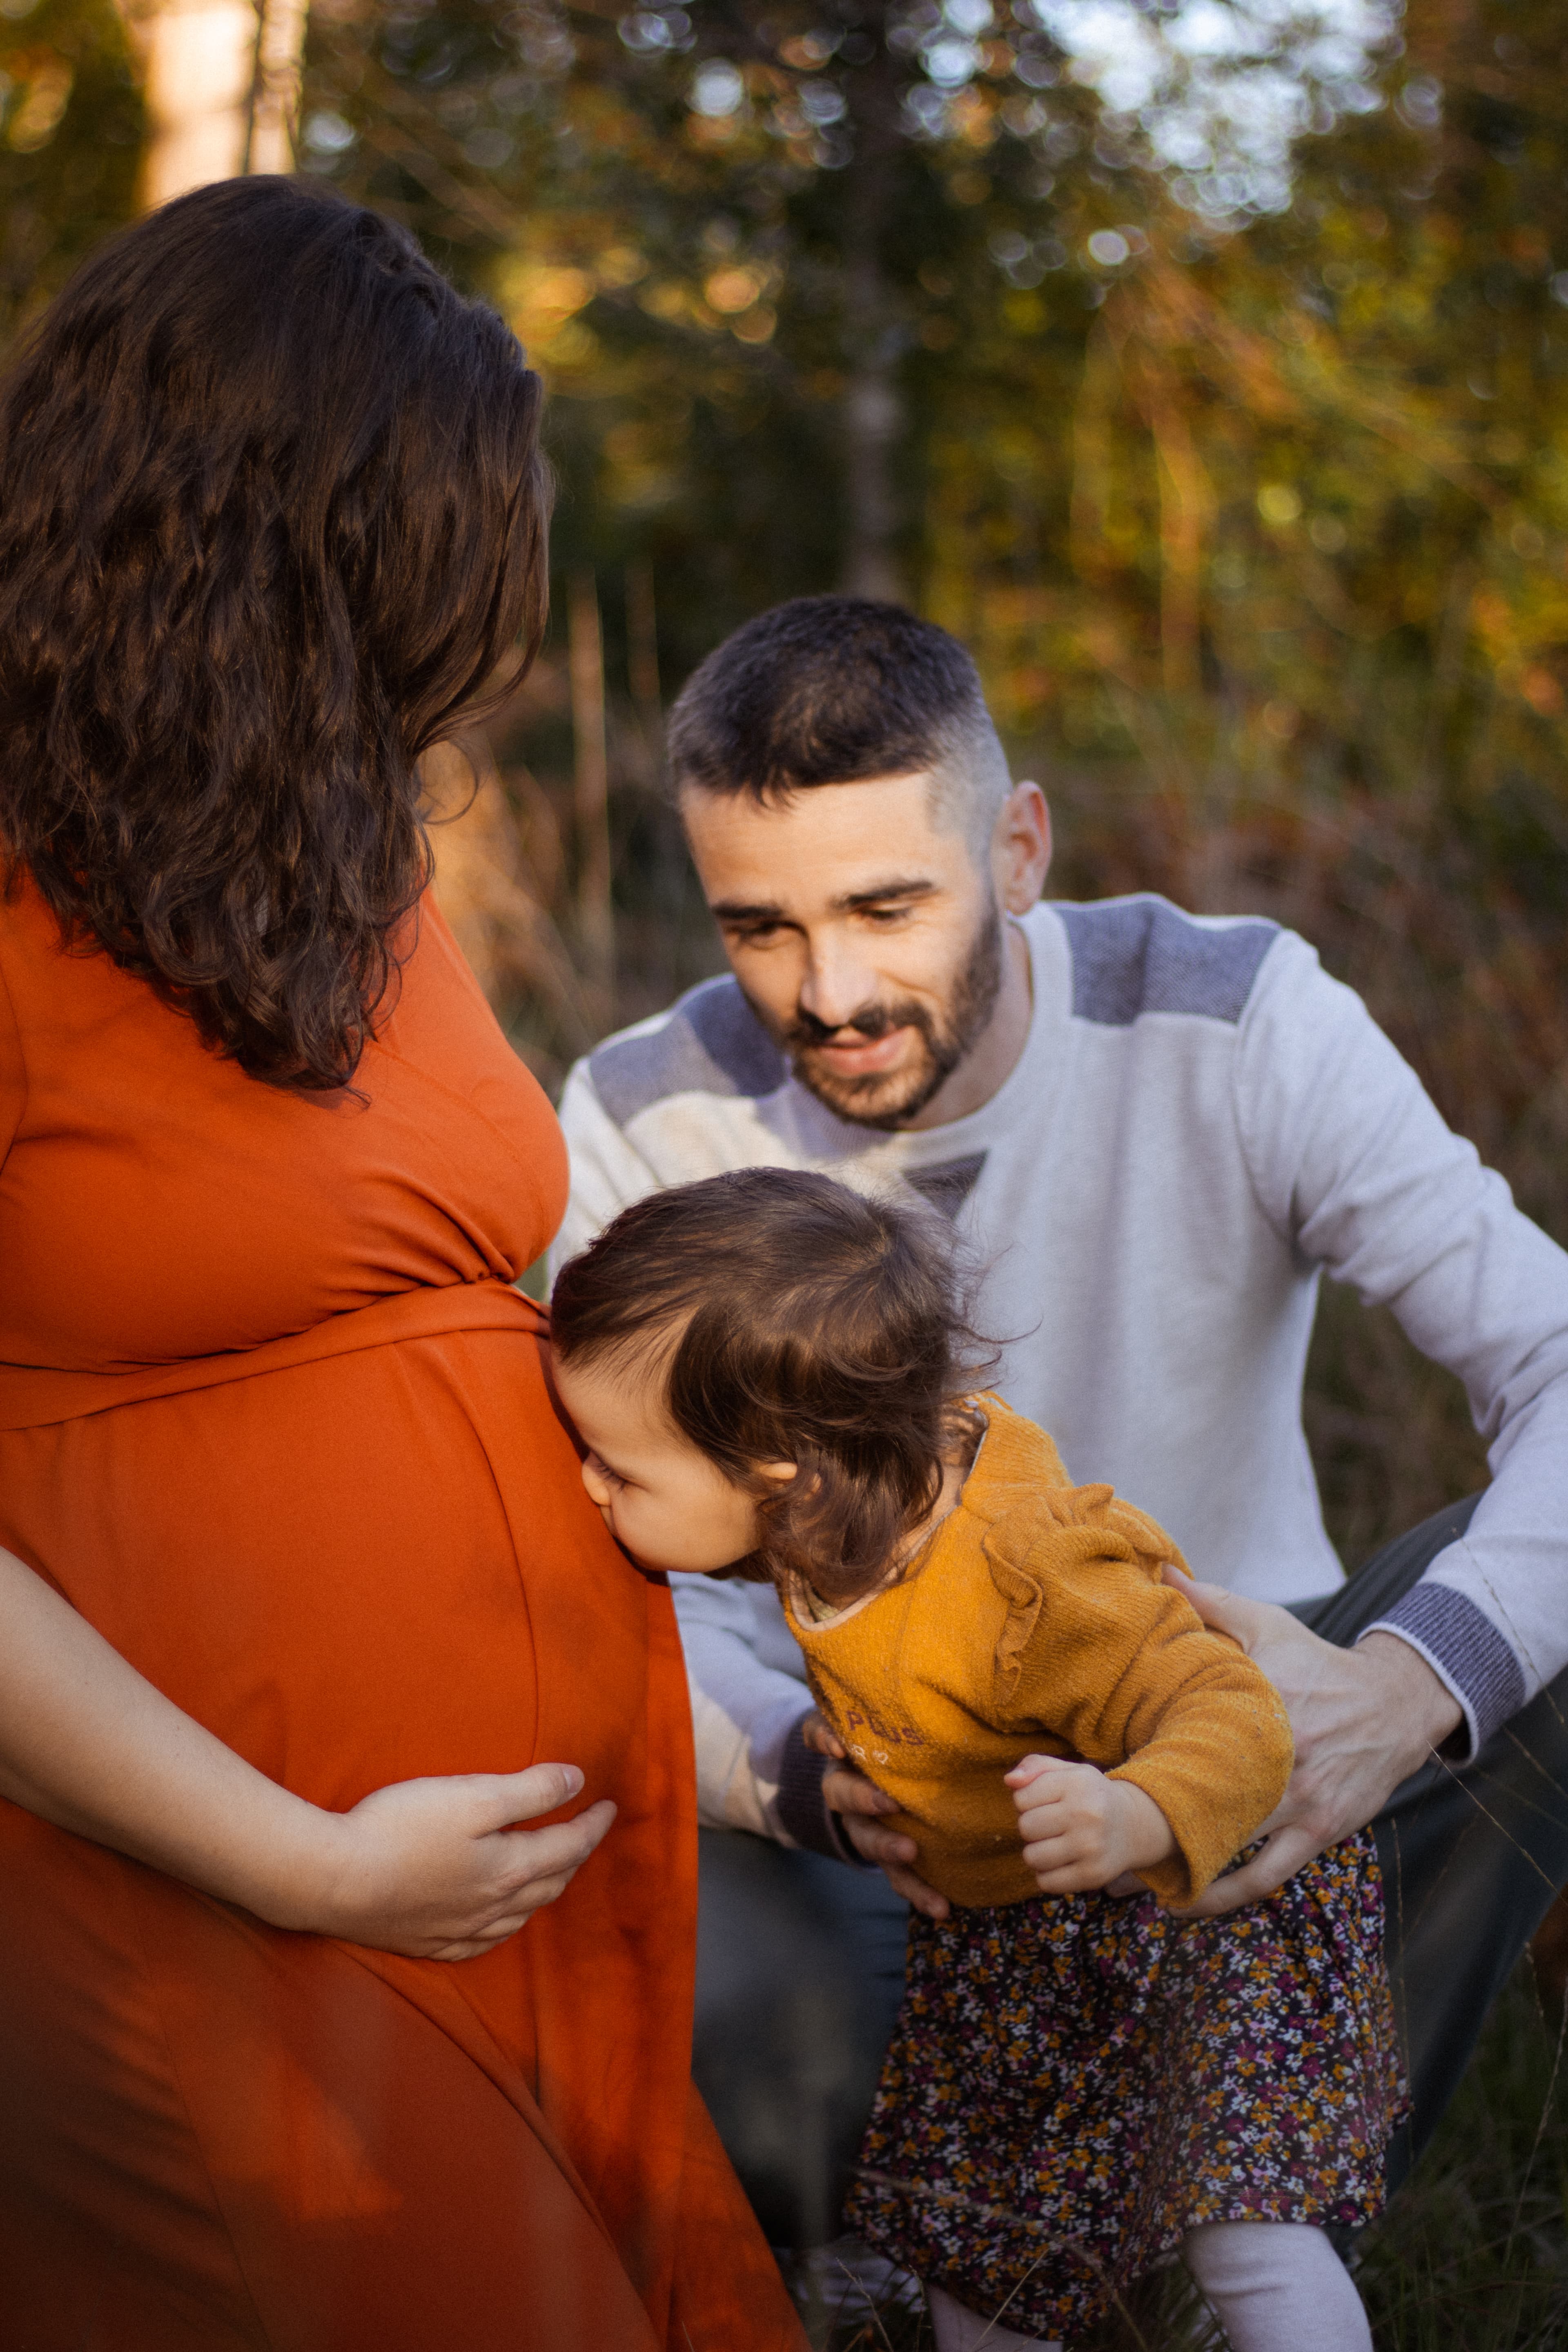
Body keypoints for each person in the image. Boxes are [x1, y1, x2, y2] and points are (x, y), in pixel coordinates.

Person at [0, 178, 803, 2352]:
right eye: (411, 585)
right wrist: (298, 1860)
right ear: (246, 543)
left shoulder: (335, 857)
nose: (440, 669)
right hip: (203, 1901)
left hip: (527, 1902)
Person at [548, 593, 1568, 2250]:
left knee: (1535, 1624)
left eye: (890, 904)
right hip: (902, 1821)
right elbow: (614, 1565)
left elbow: (1557, 1359)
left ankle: (1262, 2157)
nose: (831, 990)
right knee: (726, 1988)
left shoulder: (1240, 1018)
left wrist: (1401, 1692)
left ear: (1018, 849)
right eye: (761, 927)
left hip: (1261, 1748)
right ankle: (1014, 2214)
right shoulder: (640, 1115)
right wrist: (798, 1776)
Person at [547, 1167, 1403, 2352]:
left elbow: (1240, 1717)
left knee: (1244, 2232)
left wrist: (1132, 1814)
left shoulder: (1025, 1576)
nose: (585, 1485)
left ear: (778, 1473)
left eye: (619, 1469)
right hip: (1019, 1934)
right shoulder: (831, 1511)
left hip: (1201, 1894)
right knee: (981, 2233)